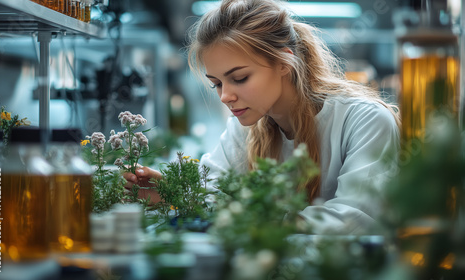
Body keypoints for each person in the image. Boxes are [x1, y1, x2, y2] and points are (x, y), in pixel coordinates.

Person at [124, 0, 400, 235]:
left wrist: (252, 220)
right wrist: (173, 194)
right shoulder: (245, 130)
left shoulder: (364, 121)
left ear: (283, 62)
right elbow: (215, 191)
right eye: (217, 83)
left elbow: (354, 218)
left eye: (239, 78)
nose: (225, 96)